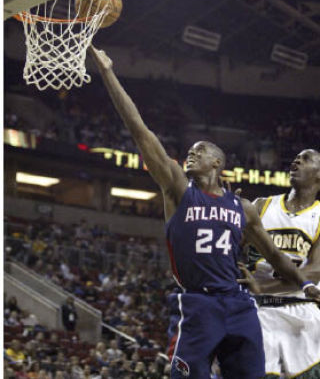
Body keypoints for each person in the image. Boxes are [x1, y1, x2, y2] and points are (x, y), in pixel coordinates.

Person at [88, 45, 320, 379]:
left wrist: (305, 286)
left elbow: (276, 256)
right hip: (199, 304)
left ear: (217, 162)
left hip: (239, 305)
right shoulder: (178, 190)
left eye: (200, 150)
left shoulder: (243, 208)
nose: (190, 154)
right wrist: (108, 72)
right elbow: (140, 131)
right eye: (189, 151)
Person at [240, 148, 320, 379]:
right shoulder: (261, 206)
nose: (296, 161)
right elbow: (229, 248)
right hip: (259, 310)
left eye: (305, 159)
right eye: (295, 158)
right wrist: (225, 217)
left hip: (302, 313)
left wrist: (259, 287)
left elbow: (313, 272)